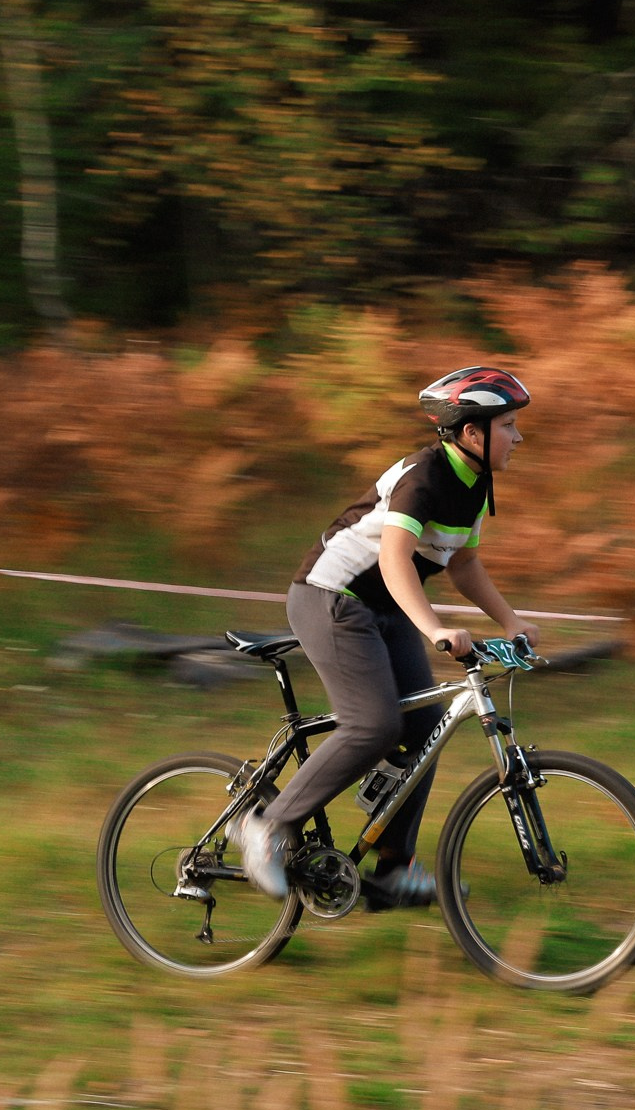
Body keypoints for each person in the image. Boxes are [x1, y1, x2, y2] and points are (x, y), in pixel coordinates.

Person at [231, 367, 539, 908]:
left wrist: (508, 620)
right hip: (332, 597)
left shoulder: (474, 485)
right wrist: (436, 628)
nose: (518, 437)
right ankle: (266, 826)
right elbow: (395, 557)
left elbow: (464, 564)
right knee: (373, 724)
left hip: (385, 608)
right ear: (473, 432)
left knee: (423, 730)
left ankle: (393, 869)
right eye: (509, 425)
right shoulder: (424, 477)